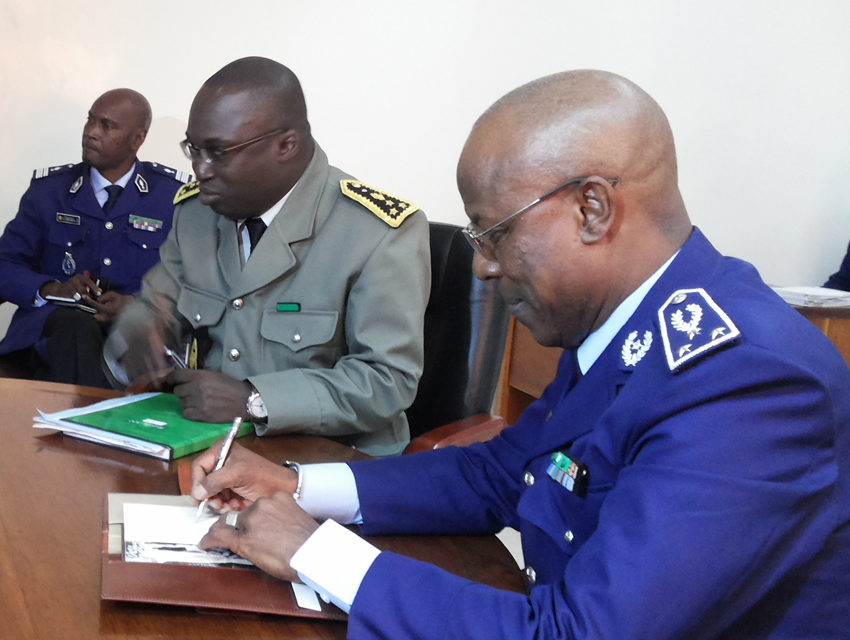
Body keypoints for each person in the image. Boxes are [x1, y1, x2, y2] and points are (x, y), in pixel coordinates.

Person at [191, 70, 850, 639]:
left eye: (494, 235)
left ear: (592, 209)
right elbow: (501, 475)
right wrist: (298, 485)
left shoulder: (748, 384)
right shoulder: (627, 323)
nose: (480, 268)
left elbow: (582, 632)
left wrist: (317, 553)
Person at [106, 57, 429, 457]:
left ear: (286, 146)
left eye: (218, 152)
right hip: (206, 447)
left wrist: (254, 401)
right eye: (194, 149)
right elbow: (157, 307)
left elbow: (386, 381)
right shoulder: (195, 215)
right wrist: (139, 330)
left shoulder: (376, 232)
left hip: (330, 462)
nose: (200, 169)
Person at [0, 88, 189, 387]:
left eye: (106, 125)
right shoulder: (49, 191)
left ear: (137, 139)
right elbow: (5, 264)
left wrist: (136, 305)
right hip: (53, 334)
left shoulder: (171, 198)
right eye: (89, 121)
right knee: (76, 328)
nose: (91, 133)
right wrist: (52, 288)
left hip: (134, 339)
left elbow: (195, 281)